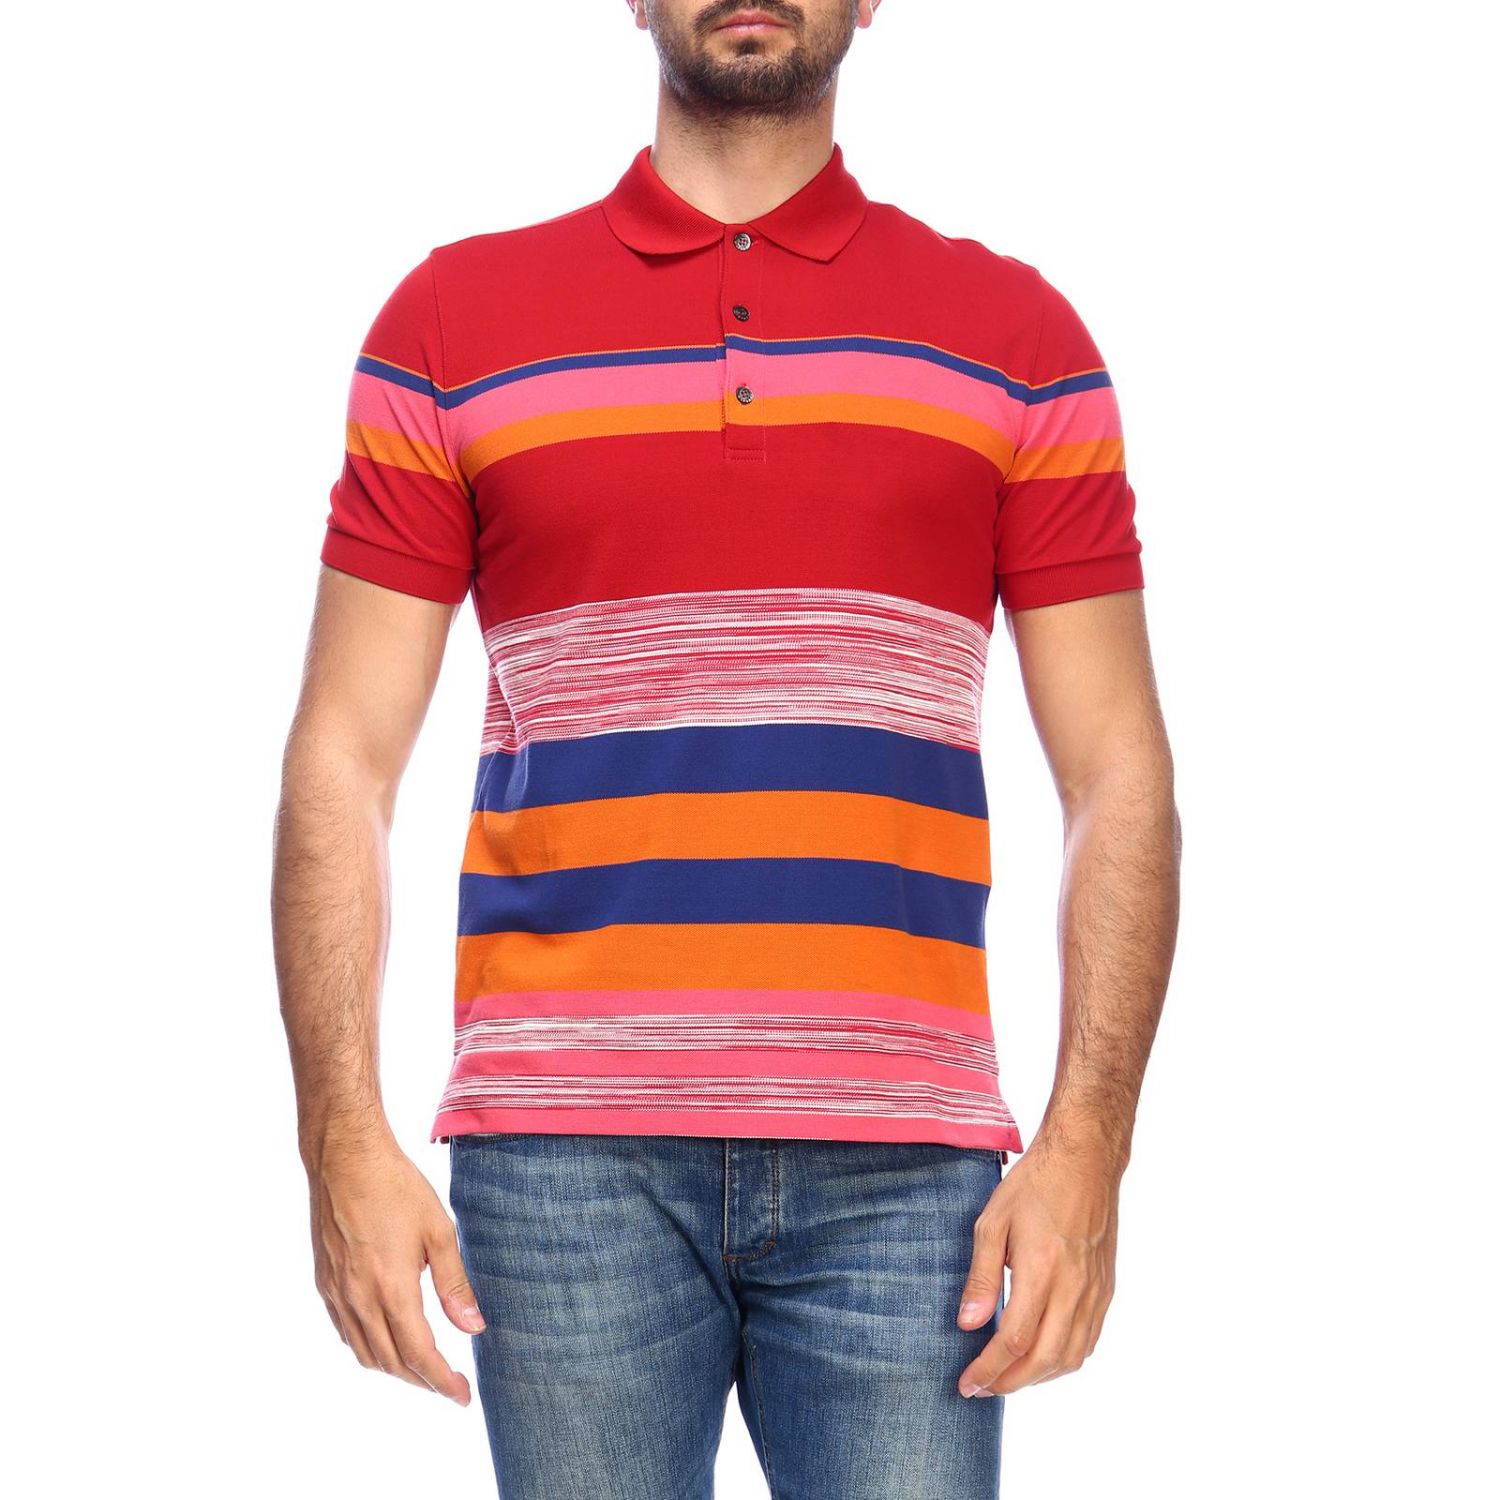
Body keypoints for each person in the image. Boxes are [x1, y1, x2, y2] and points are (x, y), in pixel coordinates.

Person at [271, 2, 1181, 1495]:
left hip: (910, 1169)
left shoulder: (1019, 339)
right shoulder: (451, 323)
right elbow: (341, 758)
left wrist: (1091, 1146)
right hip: (563, 1159)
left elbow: (1118, 773)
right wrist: (340, 1136)